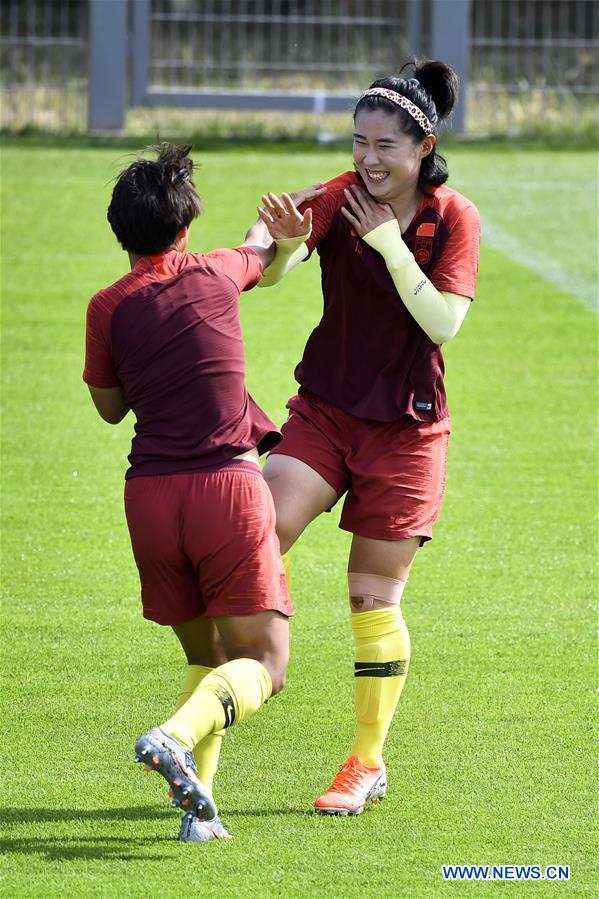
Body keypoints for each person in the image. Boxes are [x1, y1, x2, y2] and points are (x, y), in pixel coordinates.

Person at [251, 60, 481, 816]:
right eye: (358, 142)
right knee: (251, 530)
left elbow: (444, 321)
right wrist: (277, 246)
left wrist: (386, 244)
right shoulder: (341, 196)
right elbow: (275, 254)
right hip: (326, 411)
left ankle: (365, 761)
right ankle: (241, 678)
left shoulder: (451, 219)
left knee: (371, 596)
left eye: (384, 145)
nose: (367, 159)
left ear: (423, 146)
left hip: (407, 432)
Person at [83, 143, 313, 842]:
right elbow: (259, 248)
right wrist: (283, 228)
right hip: (226, 491)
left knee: (205, 656)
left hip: (150, 500)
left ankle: (199, 811)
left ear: (120, 230)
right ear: (184, 230)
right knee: (264, 663)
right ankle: (174, 736)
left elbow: (109, 407)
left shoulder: (106, 307)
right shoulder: (214, 272)